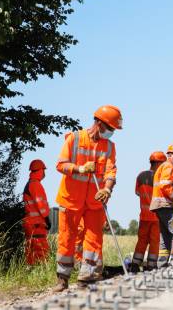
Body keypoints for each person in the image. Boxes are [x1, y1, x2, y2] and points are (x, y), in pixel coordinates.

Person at [53, 105, 122, 291]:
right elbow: (60, 165)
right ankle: (62, 279)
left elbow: (111, 171)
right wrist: (80, 169)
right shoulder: (74, 139)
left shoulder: (109, 146)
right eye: (110, 128)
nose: (112, 132)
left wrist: (107, 190)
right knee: (66, 238)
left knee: (93, 239)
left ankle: (87, 278)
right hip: (70, 199)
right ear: (99, 123)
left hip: (95, 200)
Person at [129, 151, 166, 272]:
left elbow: (137, 193)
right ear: (159, 163)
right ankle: (151, 265)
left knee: (142, 241)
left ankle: (135, 264)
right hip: (156, 217)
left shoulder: (140, 176)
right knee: (155, 242)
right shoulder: (160, 177)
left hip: (144, 216)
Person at [151, 144, 173, 267]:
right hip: (167, 205)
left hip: (161, 206)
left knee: (165, 235)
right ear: (170, 155)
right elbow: (165, 186)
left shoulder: (168, 167)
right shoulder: (168, 167)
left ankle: (162, 263)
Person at [23, 159, 51, 265]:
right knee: (41, 250)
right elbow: (41, 205)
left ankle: (30, 272)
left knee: (30, 252)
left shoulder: (30, 183)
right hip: (37, 224)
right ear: (40, 170)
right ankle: (43, 273)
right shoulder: (35, 185)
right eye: (44, 170)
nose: (44, 173)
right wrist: (47, 219)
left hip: (30, 223)